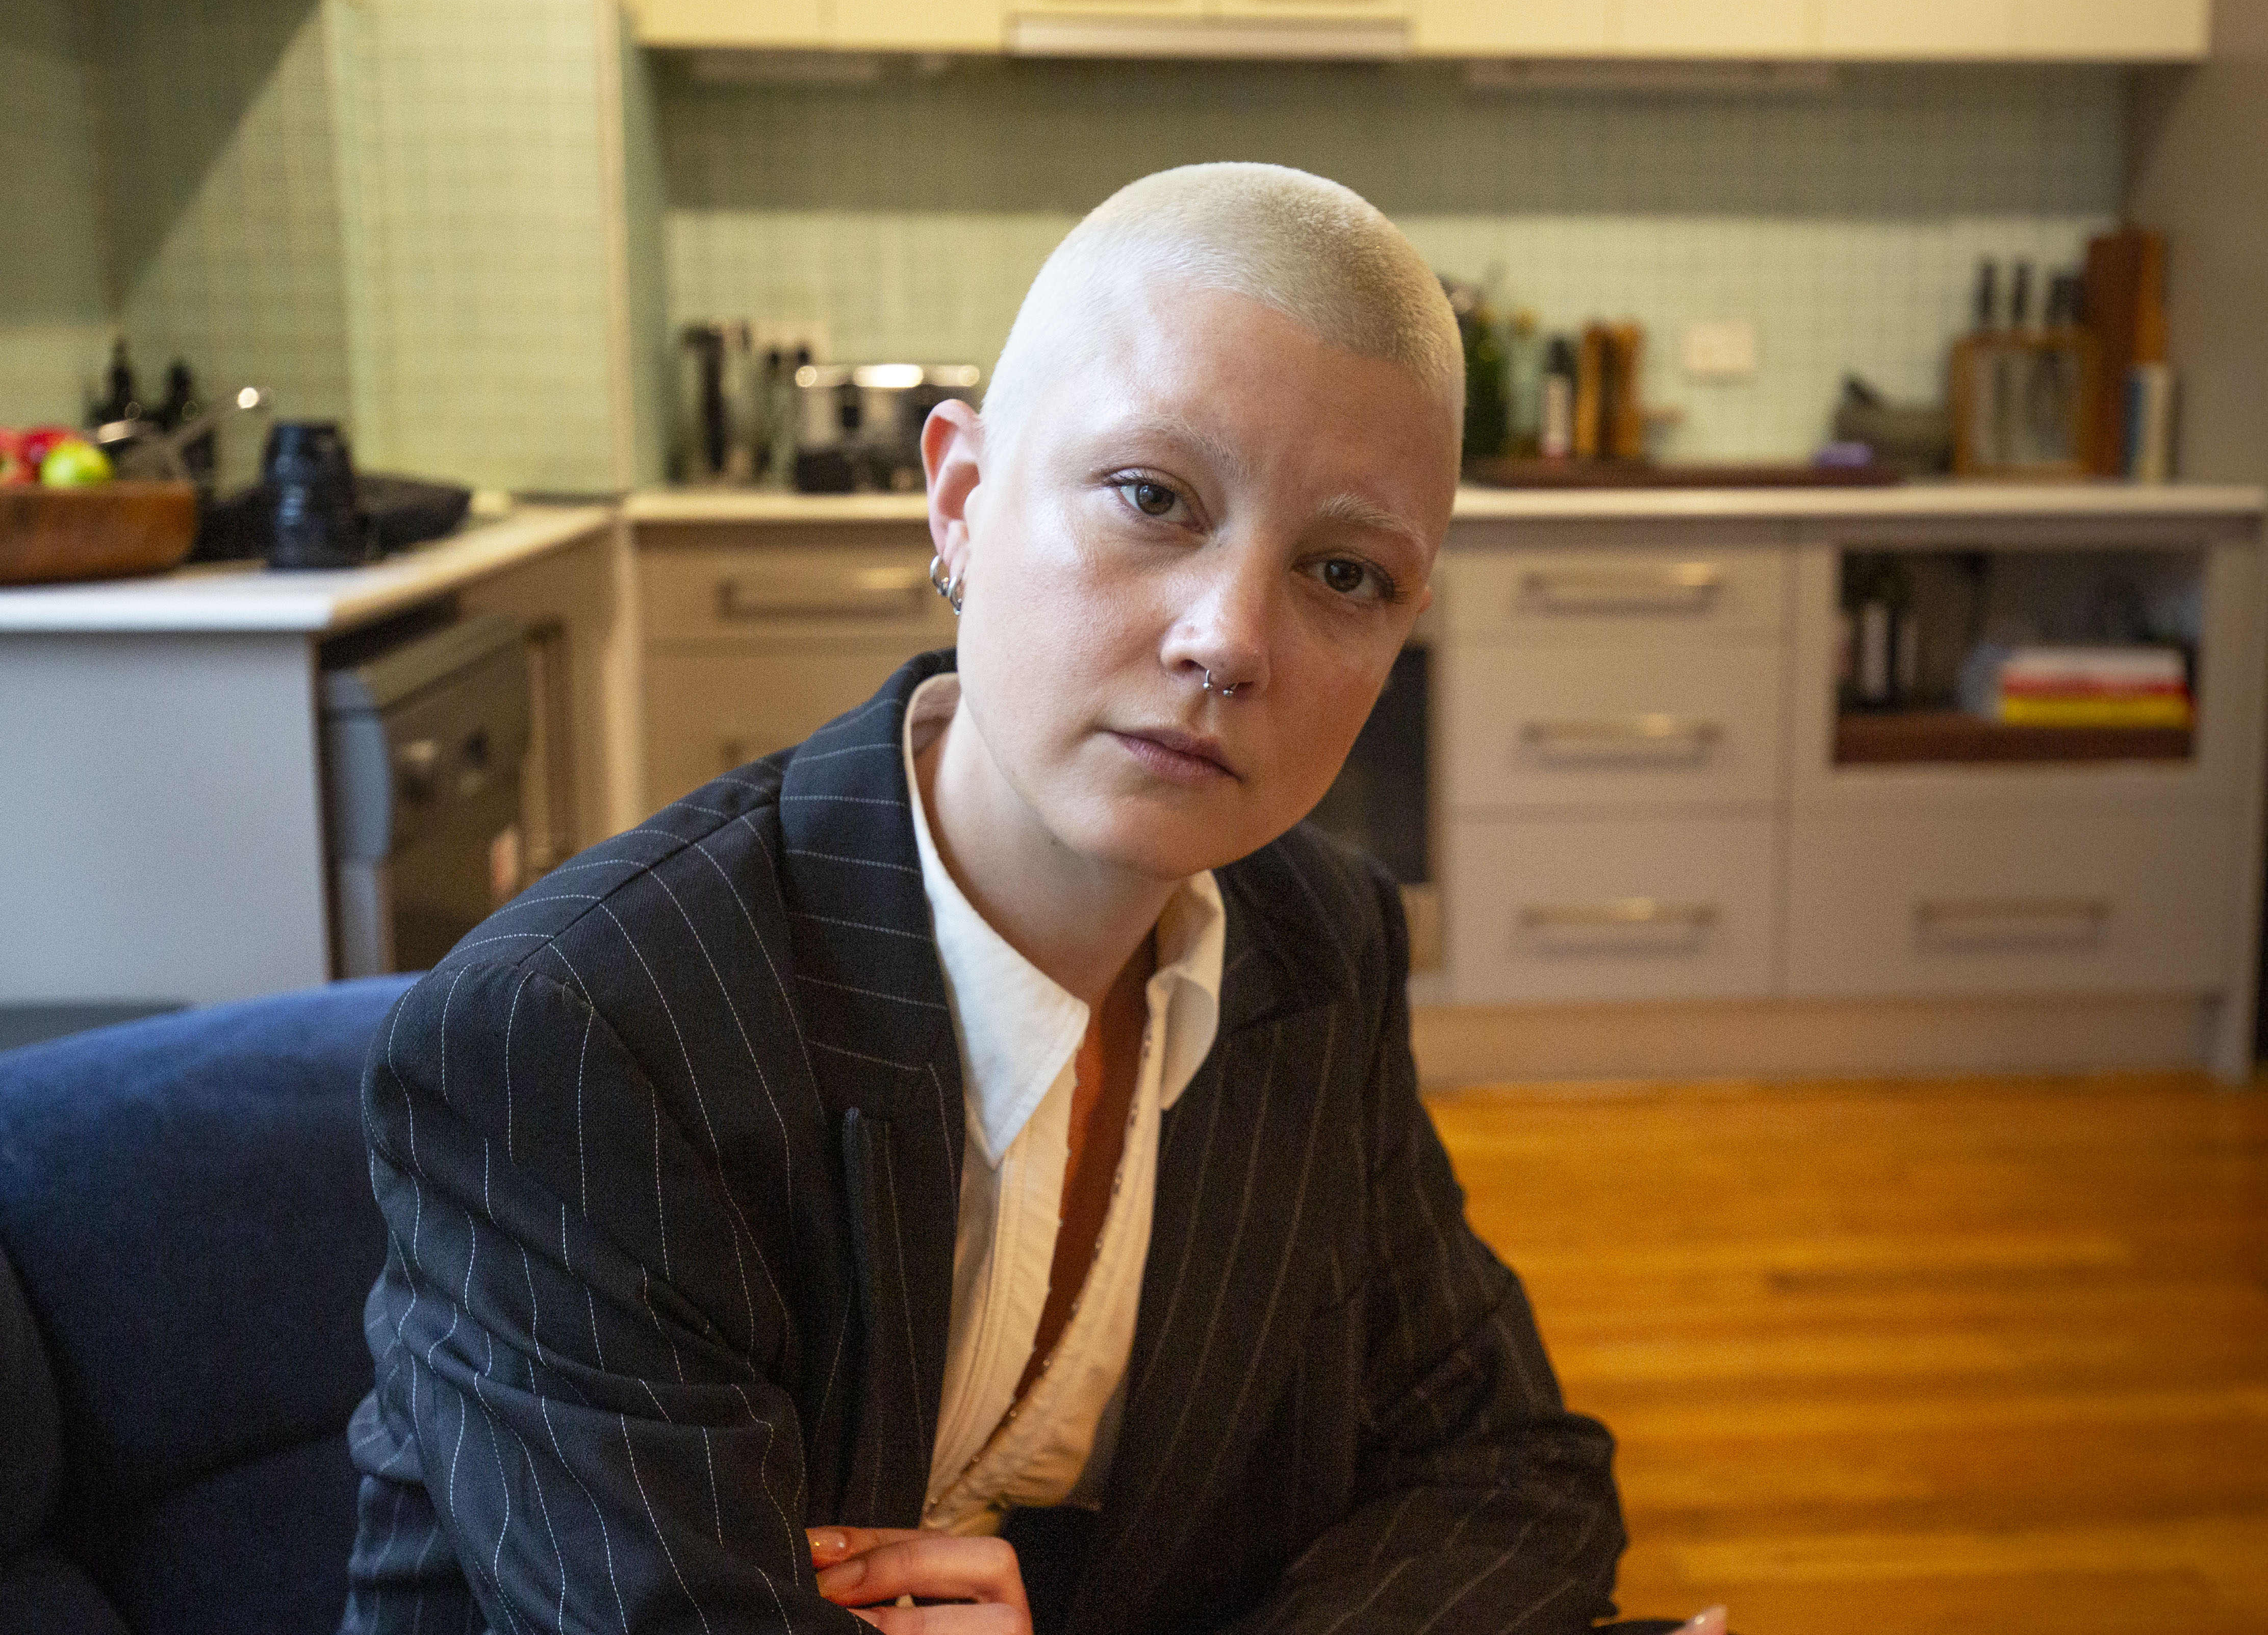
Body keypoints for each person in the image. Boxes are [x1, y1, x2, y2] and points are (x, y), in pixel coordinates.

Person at [342, 162, 1719, 1635]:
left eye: (1343, 571)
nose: (1229, 639)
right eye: (1152, 496)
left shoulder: (1320, 939)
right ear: (962, 496)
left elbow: (1513, 1474)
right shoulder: (589, 1034)